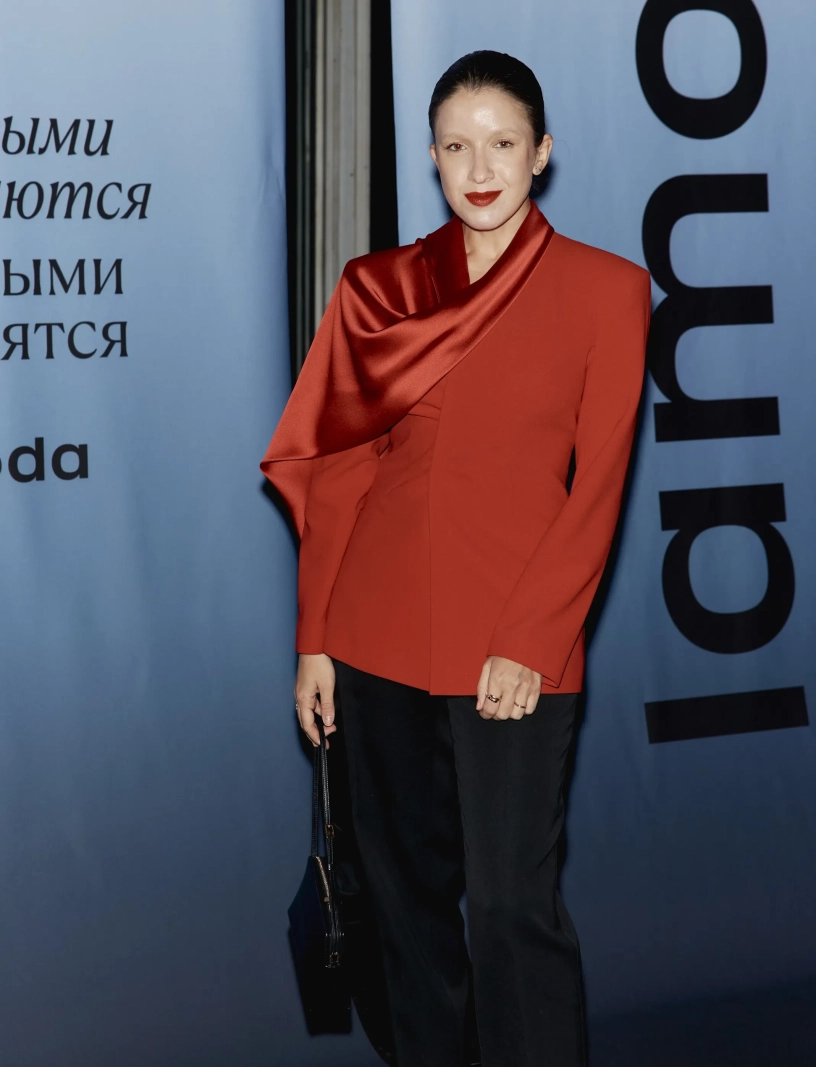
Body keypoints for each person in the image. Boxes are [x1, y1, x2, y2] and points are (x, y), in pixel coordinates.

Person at [261, 49, 650, 1067]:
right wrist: (315, 638)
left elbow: (599, 486)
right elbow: (339, 474)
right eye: (455, 147)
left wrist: (531, 638)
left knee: (513, 904)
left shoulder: (607, 289)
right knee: (405, 906)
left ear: (542, 153)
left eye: (502, 143)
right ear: (431, 156)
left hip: (517, 641)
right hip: (375, 634)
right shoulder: (378, 286)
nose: (479, 169)